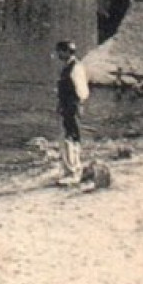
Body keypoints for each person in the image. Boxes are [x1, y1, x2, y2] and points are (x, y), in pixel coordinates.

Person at [54, 40, 90, 184]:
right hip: (67, 106)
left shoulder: (75, 68)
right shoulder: (68, 67)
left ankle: (73, 171)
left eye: (60, 52)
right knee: (66, 137)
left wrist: (76, 104)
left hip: (71, 107)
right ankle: (69, 169)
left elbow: (82, 90)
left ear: (67, 52)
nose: (58, 55)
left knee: (71, 137)